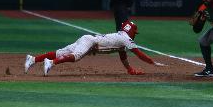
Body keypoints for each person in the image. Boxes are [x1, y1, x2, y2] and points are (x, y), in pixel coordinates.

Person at [25, 21, 166, 76]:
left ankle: (33, 59)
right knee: (76, 56)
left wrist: (130, 70)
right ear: (132, 32)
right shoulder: (126, 39)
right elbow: (139, 54)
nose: (135, 35)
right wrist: (152, 62)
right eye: (135, 33)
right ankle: (51, 63)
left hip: (87, 39)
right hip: (91, 42)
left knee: (60, 52)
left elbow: (123, 56)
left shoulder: (122, 38)